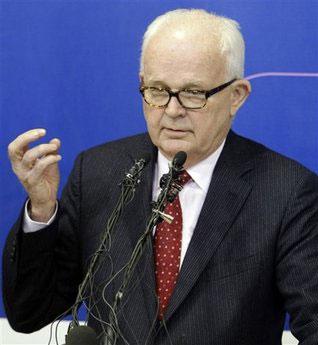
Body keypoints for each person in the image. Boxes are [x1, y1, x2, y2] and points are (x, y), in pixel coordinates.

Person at [3, 8, 318, 345]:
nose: (172, 110)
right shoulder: (97, 171)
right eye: (157, 90)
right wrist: (41, 210)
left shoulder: (285, 191)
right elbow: (29, 313)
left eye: (194, 93)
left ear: (236, 96)